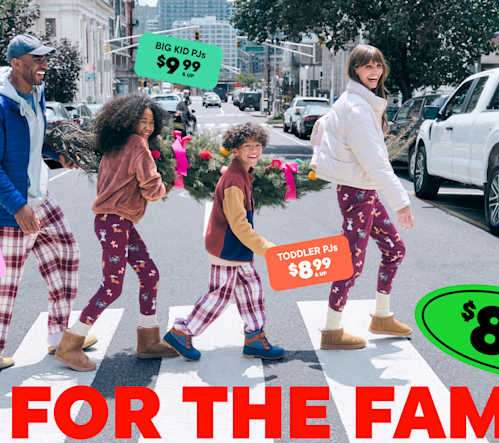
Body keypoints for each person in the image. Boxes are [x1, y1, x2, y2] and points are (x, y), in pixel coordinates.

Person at [0, 34, 96, 370]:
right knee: (3, 279)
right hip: (9, 204)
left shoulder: (34, 93)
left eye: (45, 59)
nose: (44, 65)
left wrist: (58, 154)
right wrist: (17, 208)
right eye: (37, 59)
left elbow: (35, 139)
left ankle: (59, 335)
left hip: (37, 195)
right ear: (16, 63)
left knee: (66, 253)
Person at [56, 94, 177, 372]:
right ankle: (70, 343)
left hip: (114, 221)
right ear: (128, 121)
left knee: (149, 274)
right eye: (142, 121)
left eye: (150, 122)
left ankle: (148, 340)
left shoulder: (115, 143)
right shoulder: (137, 145)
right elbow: (149, 184)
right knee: (112, 286)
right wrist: (164, 187)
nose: (147, 127)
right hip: (115, 222)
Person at [310, 44, 415, 351]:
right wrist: (402, 203)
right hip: (358, 192)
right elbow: (375, 162)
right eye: (367, 66)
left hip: (363, 190)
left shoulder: (358, 103)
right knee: (349, 263)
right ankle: (332, 330)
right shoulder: (356, 108)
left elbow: (321, 130)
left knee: (394, 248)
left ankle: (381, 316)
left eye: (378, 66)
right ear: (355, 69)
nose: (374, 71)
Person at [163, 123, 284, 361]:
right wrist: (266, 248)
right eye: (247, 146)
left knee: (252, 289)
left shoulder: (242, 174)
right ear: (235, 150)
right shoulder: (234, 180)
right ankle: (182, 331)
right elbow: (239, 224)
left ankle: (254, 336)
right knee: (219, 295)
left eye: (258, 145)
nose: (254, 150)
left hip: (235, 247)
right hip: (227, 247)